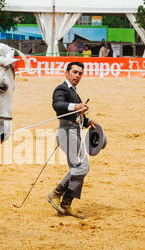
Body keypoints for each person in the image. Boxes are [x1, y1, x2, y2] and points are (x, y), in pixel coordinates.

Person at [46, 61, 98, 220]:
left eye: (80, 73)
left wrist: (86, 121)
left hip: (74, 132)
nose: (77, 76)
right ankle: (55, 194)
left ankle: (66, 204)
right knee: (81, 166)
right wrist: (75, 106)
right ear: (67, 73)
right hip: (66, 132)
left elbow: (76, 116)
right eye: (74, 72)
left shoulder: (74, 92)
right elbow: (58, 105)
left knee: (79, 169)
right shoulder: (61, 88)